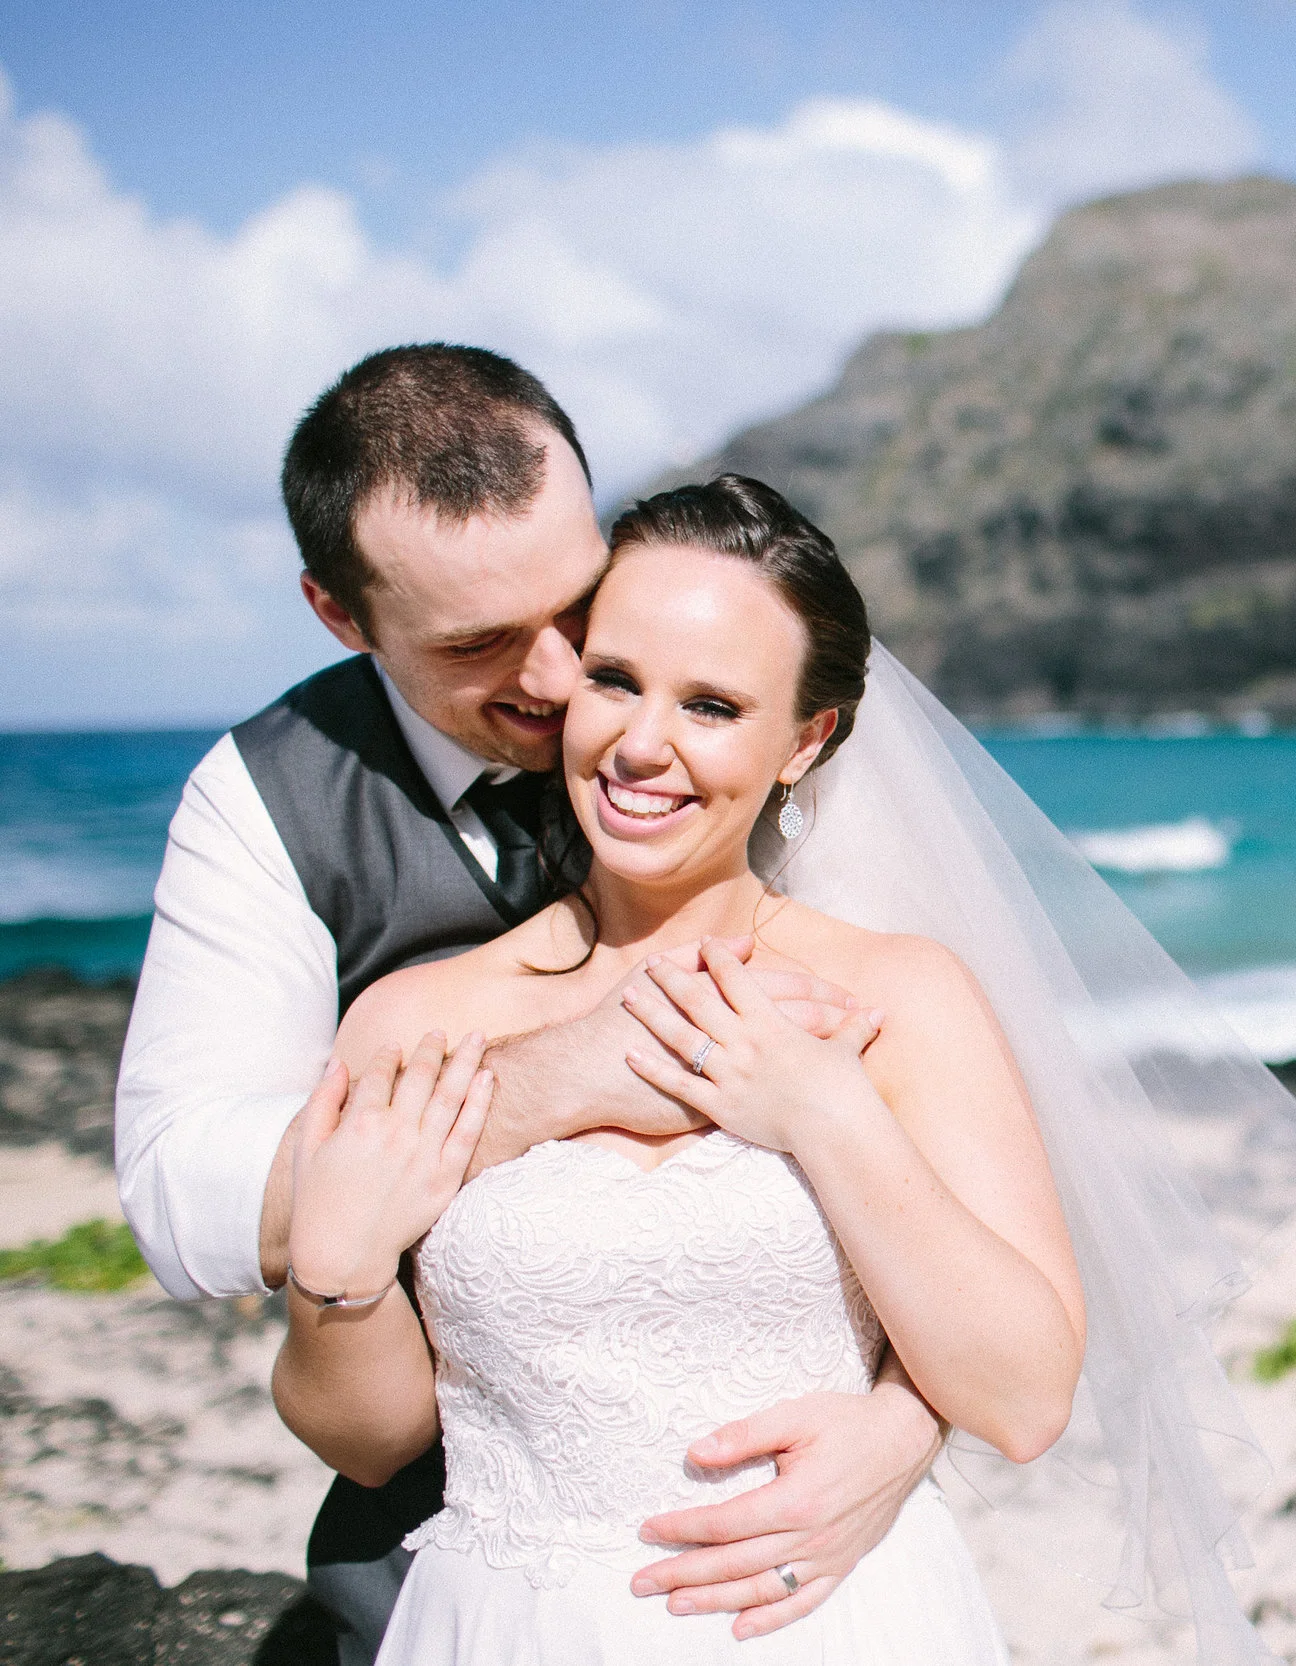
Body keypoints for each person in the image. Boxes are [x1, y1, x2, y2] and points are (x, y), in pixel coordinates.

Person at [114, 347, 953, 1664]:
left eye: (577, 608)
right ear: (340, 614)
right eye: (479, 643)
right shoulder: (262, 799)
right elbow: (176, 1189)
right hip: (454, 1529)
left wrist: (914, 1412)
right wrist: (539, 1081)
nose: (567, 681)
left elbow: (942, 1137)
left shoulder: (687, 716)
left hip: (795, 1535)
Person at [274, 476, 1083, 1661]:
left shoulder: (900, 996)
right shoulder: (418, 1015)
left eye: (710, 705)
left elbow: (1022, 1399)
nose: (640, 744)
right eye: (615, 680)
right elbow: (370, 1441)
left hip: (824, 1623)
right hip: (509, 1623)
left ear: (805, 740)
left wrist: (821, 1107)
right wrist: (332, 1275)